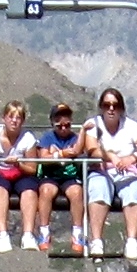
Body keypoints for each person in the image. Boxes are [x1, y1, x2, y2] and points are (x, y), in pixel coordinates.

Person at [85, 87, 137, 262]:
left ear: (121, 109)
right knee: (98, 188)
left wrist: (133, 157)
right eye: (106, 105)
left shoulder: (131, 126)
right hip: (102, 169)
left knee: (133, 189)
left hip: (127, 171)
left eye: (115, 105)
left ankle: (132, 241)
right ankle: (96, 241)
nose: (111, 109)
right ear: (101, 107)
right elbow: (91, 149)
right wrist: (109, 155)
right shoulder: (93, 125)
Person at [0, 101, 45, 253]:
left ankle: (28, 235)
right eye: (11, 117)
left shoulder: (28, 139)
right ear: (4, 118)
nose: (14, 121)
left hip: (22, 173)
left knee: (29, 191)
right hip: (1, 173)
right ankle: (2, 235)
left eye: (18, 118)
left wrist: (19, 164)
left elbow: (32, 169)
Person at [37, 100, 88, 253]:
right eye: (60, 125)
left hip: (69, 176)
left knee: (76, 192)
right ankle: (44, 231)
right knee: (46, 191)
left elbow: (78, 150)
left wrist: (84, 131)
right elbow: (43, 157)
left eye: (67, 124)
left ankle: (77, 233)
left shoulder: (74, 138)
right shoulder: (47, 138)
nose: (64, 128)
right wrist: (62, 154)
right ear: (53, 122)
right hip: (51, 174)